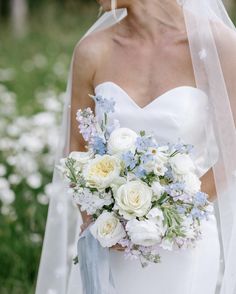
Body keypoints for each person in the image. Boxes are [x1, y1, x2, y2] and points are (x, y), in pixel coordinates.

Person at [36, 1, 236, 293]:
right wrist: (99, 222)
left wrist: (170, 216)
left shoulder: (217, 44)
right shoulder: (92, 50)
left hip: (184, 243)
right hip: (111, 243)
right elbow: (77, 147)